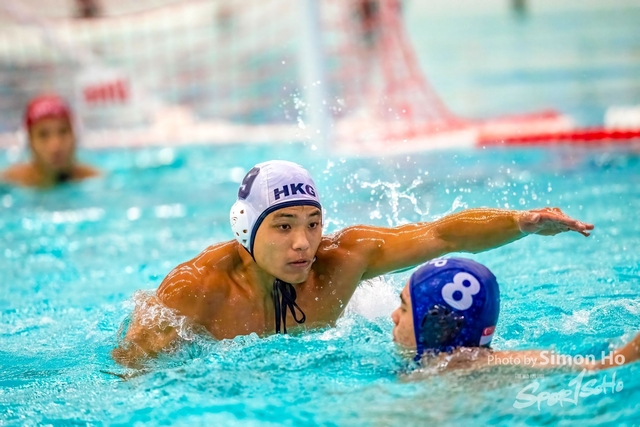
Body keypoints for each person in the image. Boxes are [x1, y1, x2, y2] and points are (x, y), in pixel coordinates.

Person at [112, 160, 593, 367]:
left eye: (313, 223)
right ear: (245, 228)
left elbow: (440, 234)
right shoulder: (196, 289)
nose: (303, 243)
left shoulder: (342, 260)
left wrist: (520, 223)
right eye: (283, 226)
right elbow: (134, 373)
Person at [391, 257, 640, 371]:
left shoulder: (498, 369)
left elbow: (600, 368)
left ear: (437, 325)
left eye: (404, 307)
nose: (394, 316)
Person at [1, 94, 99, 188]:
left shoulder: (92, 179)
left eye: (63, 132)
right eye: (43, 135)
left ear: (74, 136)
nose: (55, 146)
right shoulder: (9, 181)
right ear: (30, 142)